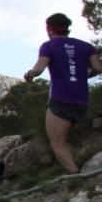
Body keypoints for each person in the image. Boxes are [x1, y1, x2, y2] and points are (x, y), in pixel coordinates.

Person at [23, 13, 102, 174]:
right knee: (63, 140)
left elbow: (39, 69)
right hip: (81, 100)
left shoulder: (49, 46)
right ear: (67, 28)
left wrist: (29, 74)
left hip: (60, 99)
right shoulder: (86, 46)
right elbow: (98, 68)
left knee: (56, 143)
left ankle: (77, 176)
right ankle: (78, 166)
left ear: (49, 29)